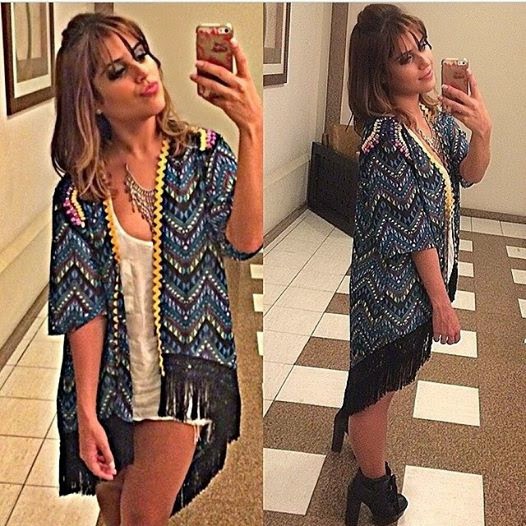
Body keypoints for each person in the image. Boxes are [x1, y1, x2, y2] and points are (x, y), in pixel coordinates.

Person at [48, 12, 262, 526]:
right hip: (112, 381)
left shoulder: (202, 156)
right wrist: (85, 411)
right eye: (117, 71)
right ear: (93, 101)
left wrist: (251, 129)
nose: (143, 71)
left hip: (183, 375)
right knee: (113, 502)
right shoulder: (79, 193)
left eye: (141, 54)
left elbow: (245, 241)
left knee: (143, 515)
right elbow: (83, 308)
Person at [330, 4, 491, 525]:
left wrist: (483, 129)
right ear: (380, 74)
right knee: (379, 386)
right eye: (405, 57)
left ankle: (353, 417)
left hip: (420, 282)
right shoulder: (385, 140)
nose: (424, 61)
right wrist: (442, 304)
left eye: (423, 45)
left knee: (382, 382)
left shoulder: (435, 118)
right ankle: (371, 484)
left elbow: (470, 173)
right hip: (389, 287)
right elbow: (413, 231)